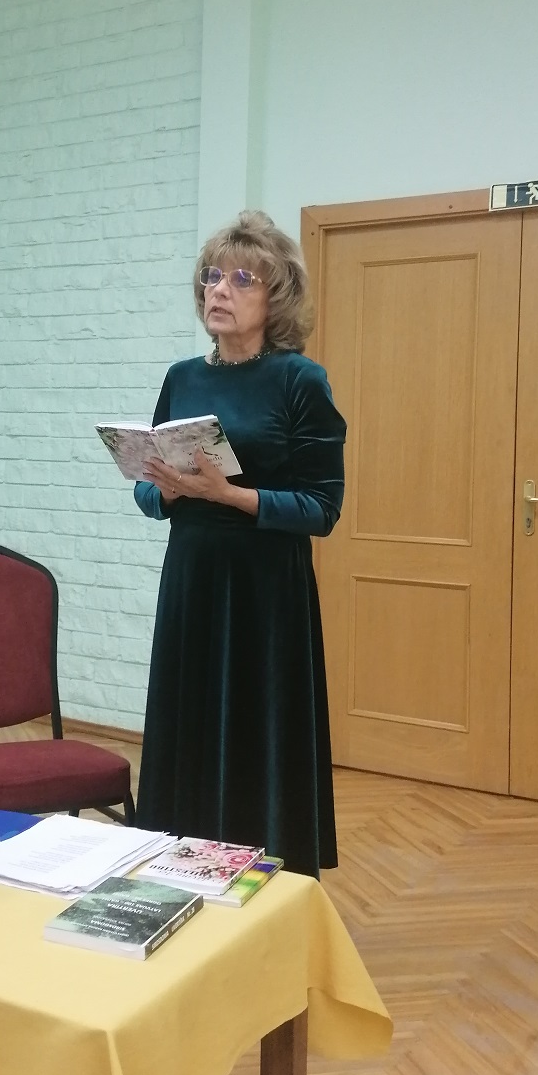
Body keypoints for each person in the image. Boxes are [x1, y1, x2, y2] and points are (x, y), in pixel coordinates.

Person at [133, 211, 346, 876]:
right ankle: (180, 870)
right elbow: (147, 492)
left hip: (265, 589)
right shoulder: (181, 377)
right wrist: (168, 491)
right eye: (211, 277)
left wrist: (231, 496)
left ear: (275, 296)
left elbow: (322, 508)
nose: (219, 290)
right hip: (192, 579)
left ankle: (268, 880)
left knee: (260, 732)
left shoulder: (300, 381)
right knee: (188, 725)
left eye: (241, 279)